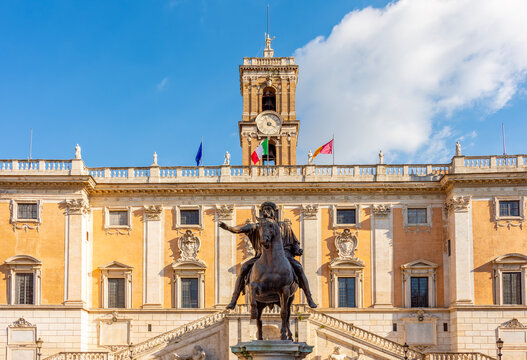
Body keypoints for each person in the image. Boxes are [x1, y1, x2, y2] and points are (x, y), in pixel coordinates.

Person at [219, 201, 317, 309]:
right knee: (243, 268)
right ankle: (233, 300)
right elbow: (240, 229)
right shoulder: (257, 227)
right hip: (261, 256)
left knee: (298, 267)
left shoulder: (284, 226)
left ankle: (309, 298)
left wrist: (297, 249)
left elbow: (294, 242)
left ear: (274, 212)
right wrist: (228, 228)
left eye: (269, 209)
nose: (266, 211)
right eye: (263, 209)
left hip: (285, 255)